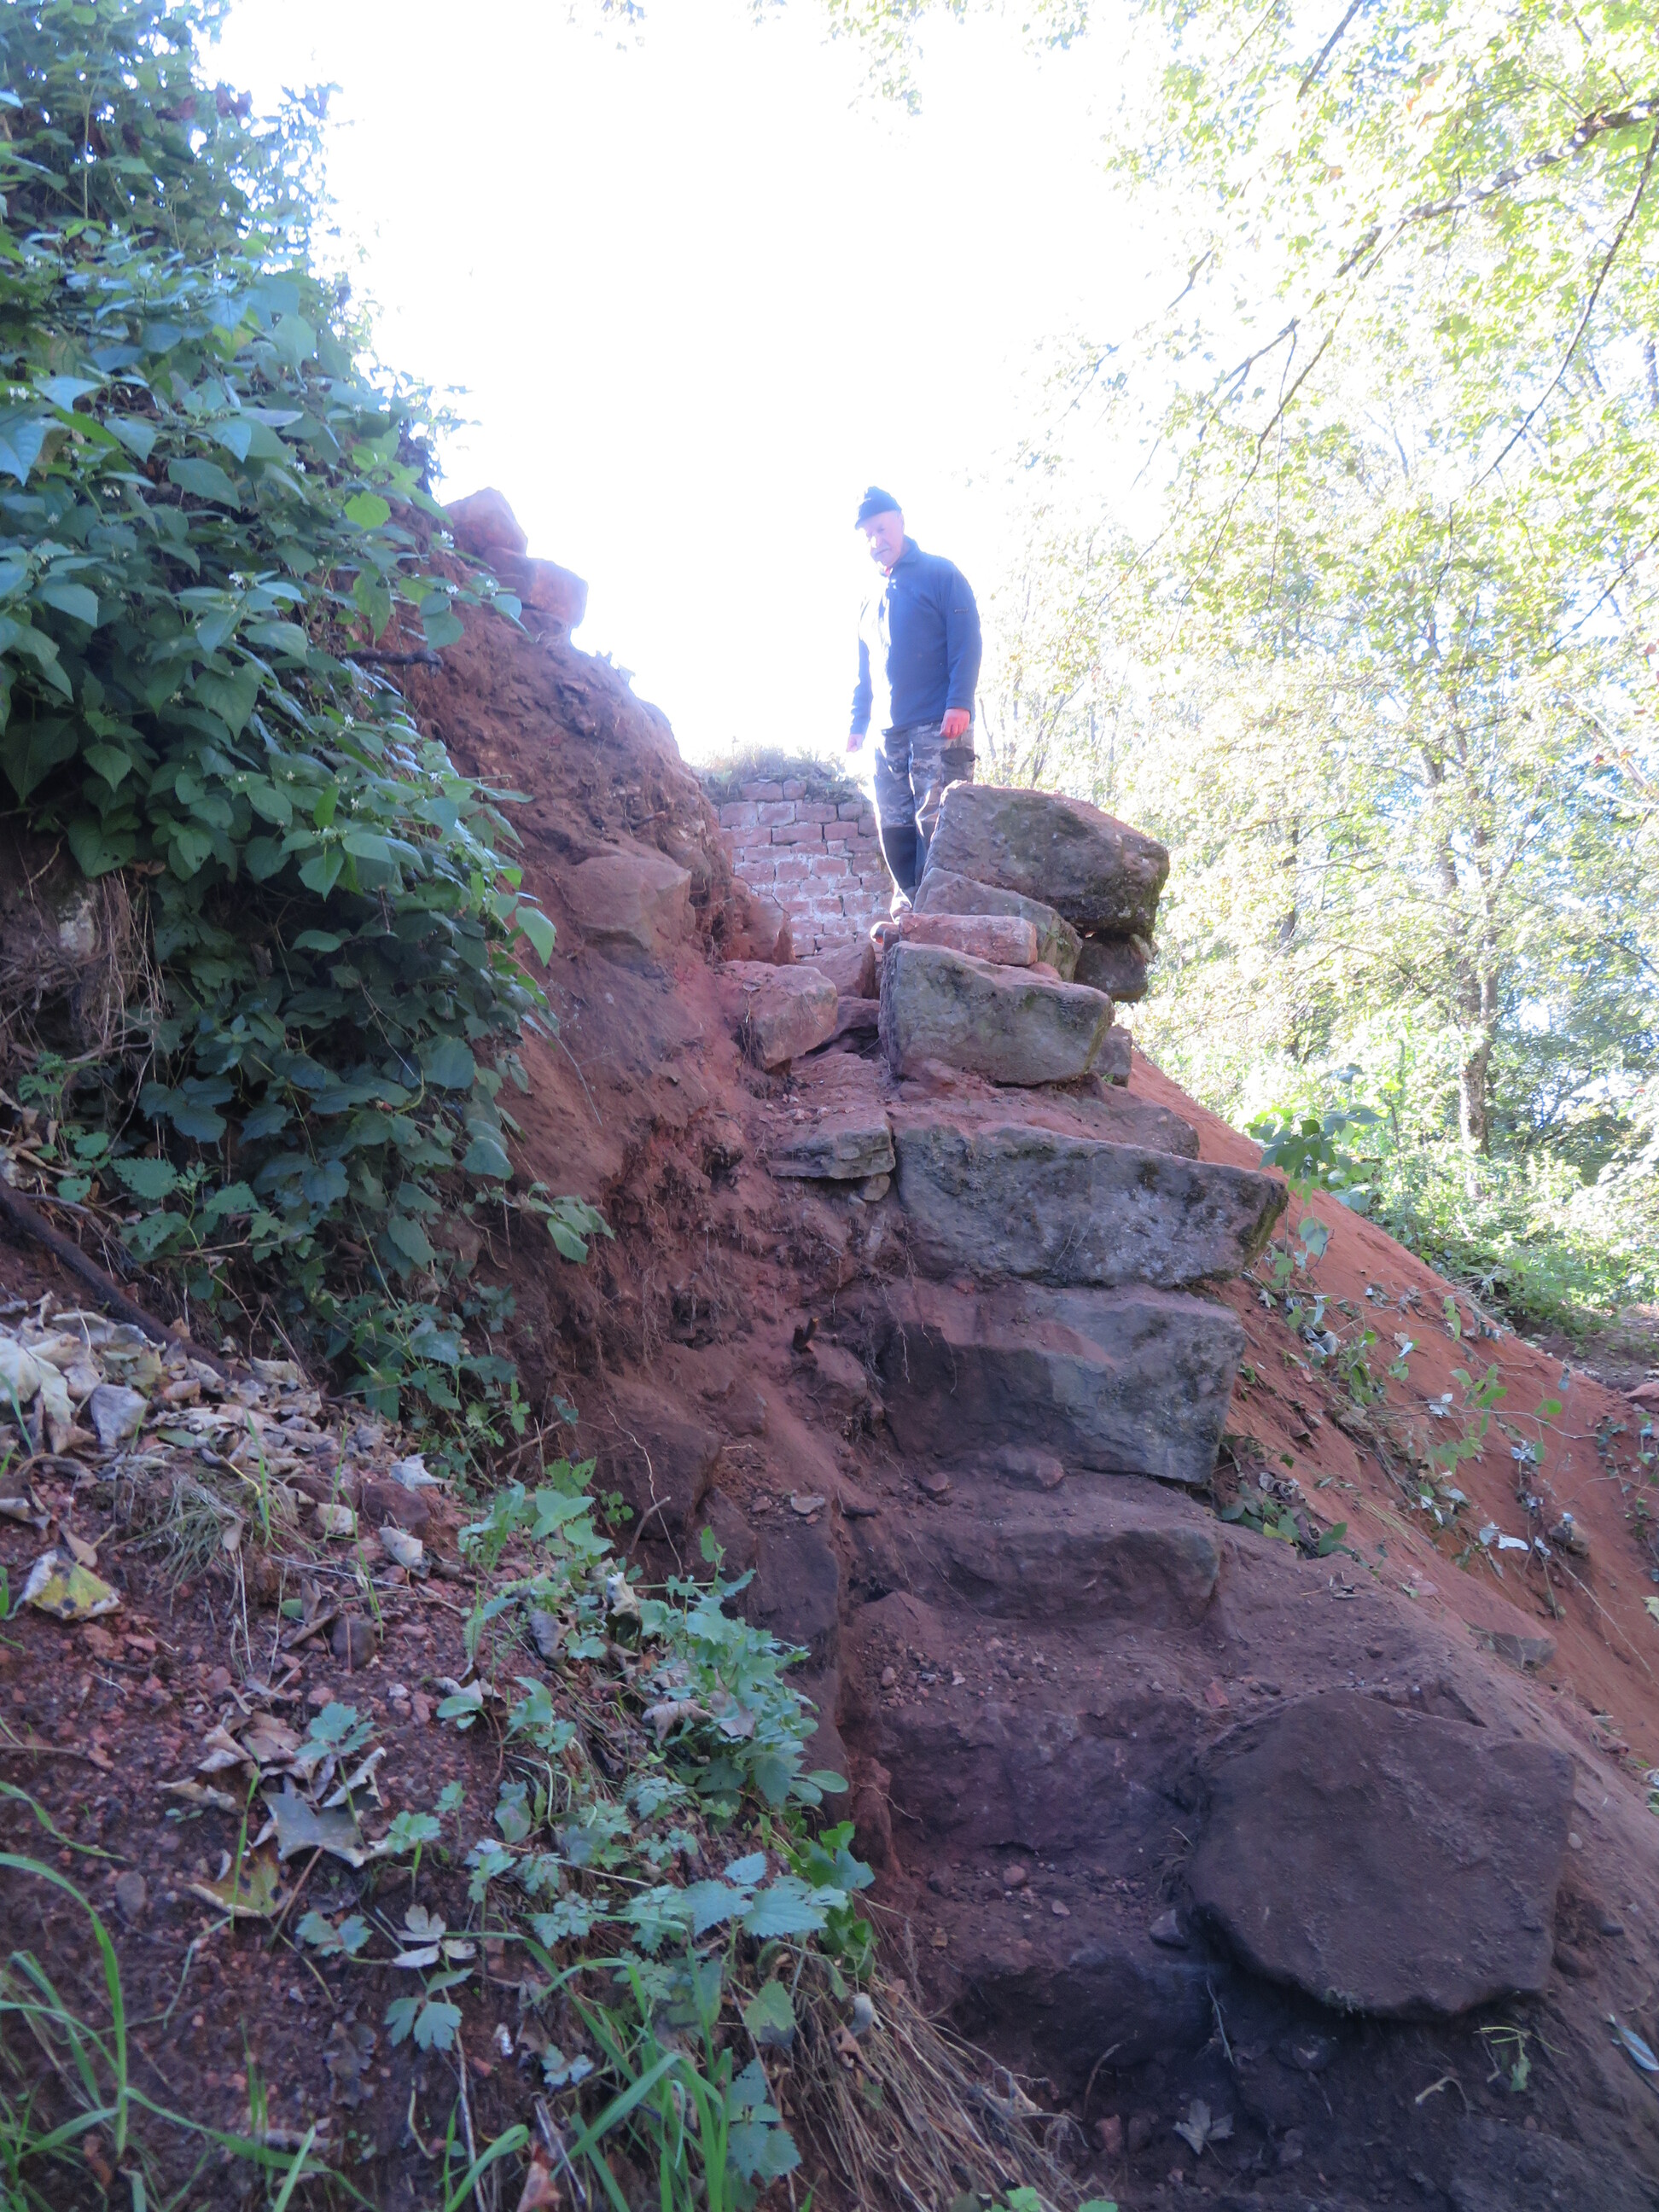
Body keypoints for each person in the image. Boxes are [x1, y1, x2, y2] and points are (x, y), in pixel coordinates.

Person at [847, 487, 982, 917]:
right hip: (887, 734)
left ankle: (945, 912)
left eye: (881, 529)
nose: (876, 541)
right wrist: (858, 721)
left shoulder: (940, 575)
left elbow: (968, 640)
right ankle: (909, 909)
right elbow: (865, 669)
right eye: (868, 535)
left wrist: (959, 702)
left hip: (937, 724)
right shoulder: (868, 598)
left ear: (901, 521)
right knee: (895, 824)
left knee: (938, 820)